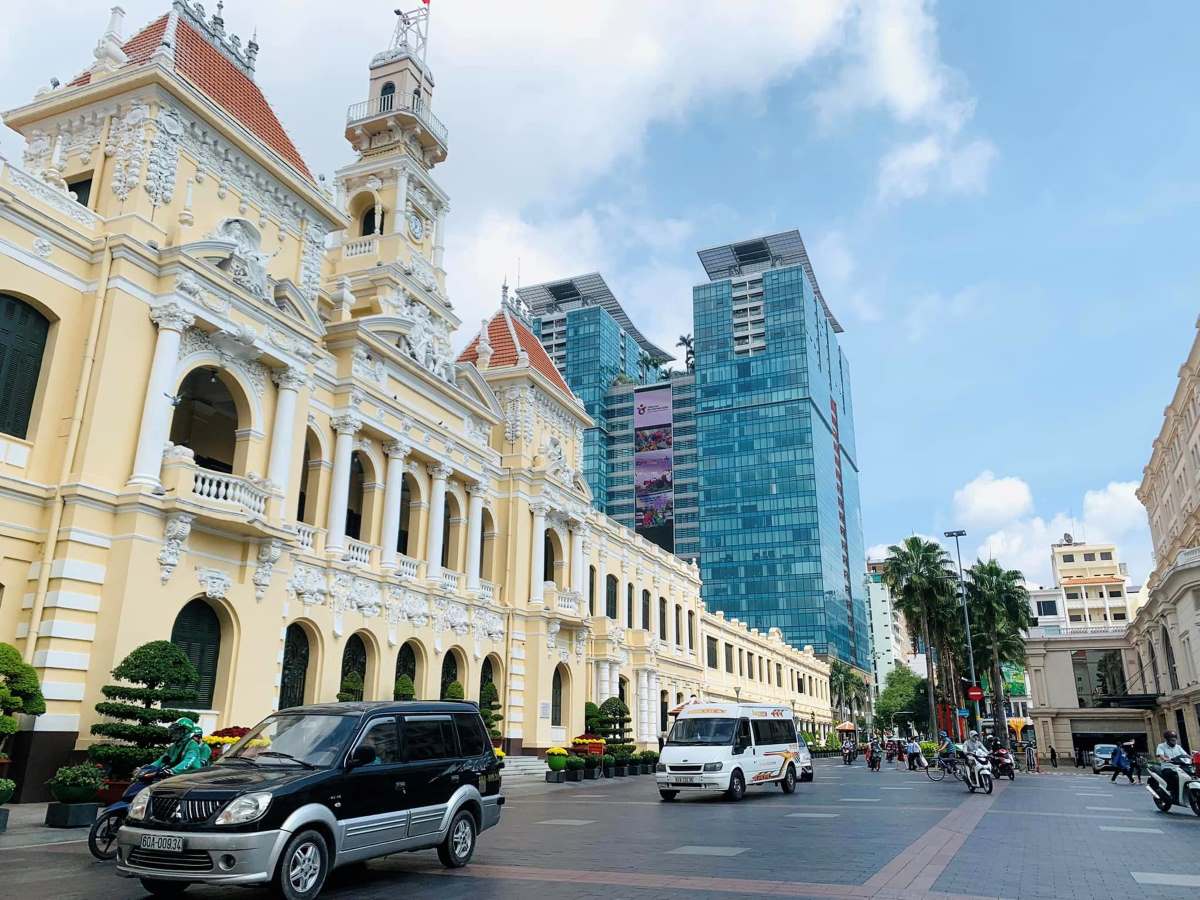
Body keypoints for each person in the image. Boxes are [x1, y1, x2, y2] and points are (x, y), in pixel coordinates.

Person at [1155, 730, 1190, 799]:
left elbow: (1185, 755)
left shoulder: (1178, 747)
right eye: (1172, 740)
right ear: (1167, 740)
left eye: (1175, 740)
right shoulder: (1161, 746)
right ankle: (1171, 792)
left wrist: (1191, 757)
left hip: (1180, 767)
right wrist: (1165, 758)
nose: (1174, 742)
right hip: (1168, 767)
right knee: (1174, 777)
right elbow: (1161, 755)